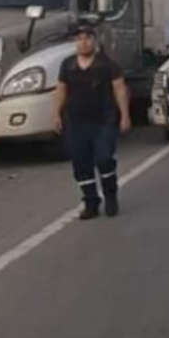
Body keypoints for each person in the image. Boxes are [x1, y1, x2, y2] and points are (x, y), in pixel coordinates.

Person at [54, 25, 131, 220]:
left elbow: (120, 89)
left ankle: (110, 195)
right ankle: (91, 201)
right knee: (81, 164)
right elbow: (61, 89)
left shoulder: (107, 64)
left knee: (104, 159)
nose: (83, 42)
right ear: (75, 42)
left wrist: (124, 115)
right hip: (76, 122)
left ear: (94, 41)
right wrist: (55, 114)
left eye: (87, 38)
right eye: (79, 38)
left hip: (104, 122)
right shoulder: (68, 65)